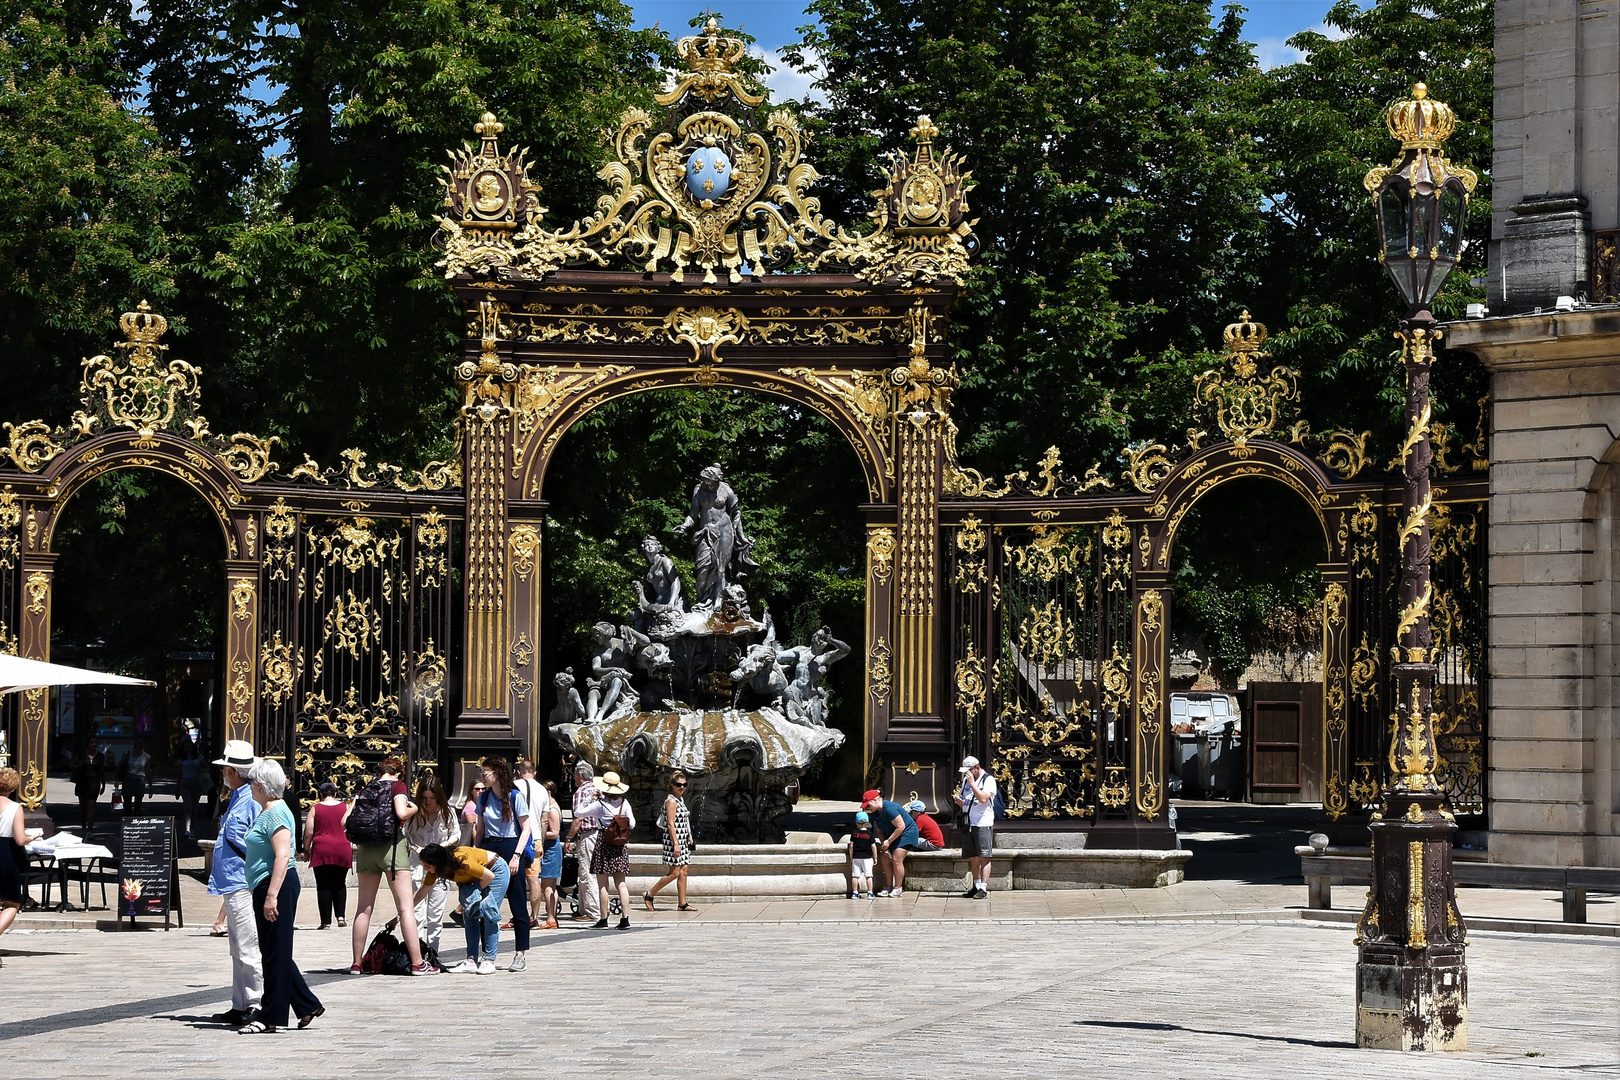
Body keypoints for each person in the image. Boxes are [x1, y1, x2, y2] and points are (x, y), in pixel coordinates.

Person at [237, 758, 322, 1034]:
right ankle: (306, 1004)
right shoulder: (273, 808)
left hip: (276, 885)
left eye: (252, 782)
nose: (250, 786)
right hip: (269, 884)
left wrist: (271, 896)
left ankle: (270, 1016)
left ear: (260, 786)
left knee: (273, 953)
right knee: (276, 950)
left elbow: (283, 855)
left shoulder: (274, 814)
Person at [349, 757, 433, 976]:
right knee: (405, 908)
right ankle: (417, 963)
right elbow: (401, 813)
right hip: (392, 850)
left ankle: (357, 963)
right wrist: (414, 808)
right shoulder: (398, 785)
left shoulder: (366, 788)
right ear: (398, 773)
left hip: (366, 851)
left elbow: (345, 821)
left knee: (363, 909)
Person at [206, 741, 263, 1026]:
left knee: (248, 945)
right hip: (231, 881)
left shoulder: (251, 799)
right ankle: (239, 1002)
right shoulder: (238, 797)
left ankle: (255, 1002)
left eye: (226, 769)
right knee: (237, 947)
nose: (223, 774)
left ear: (233, 770)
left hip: (243, 880)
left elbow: (255, 841)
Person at [472, 756, 532, 972]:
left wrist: (517, 855)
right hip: (489, 848)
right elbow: (479, 829)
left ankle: (520, 953)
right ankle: (487, 953)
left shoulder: (515, 796)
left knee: (517, 902)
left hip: (510, 847)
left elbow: (526, 828)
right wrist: (475, 854)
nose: (482, 777)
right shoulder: (484, 798)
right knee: (485, 901)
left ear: (497, 773)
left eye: (485, 773)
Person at [414, 843, 507, 975]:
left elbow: (489, 876)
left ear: (437, 862)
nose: (425, 869)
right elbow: (421, 893)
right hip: (475, 879)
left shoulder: (461, 860)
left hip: (494, 871)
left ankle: (489, 960)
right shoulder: (434, 871)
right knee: (469, 915)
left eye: (427, 866)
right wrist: (402, 913)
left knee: (488, 913)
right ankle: (471, 960)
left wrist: (475, 892)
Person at [568, 769, 634, 929]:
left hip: (604, 843)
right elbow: (632, 824)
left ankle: (603, 919)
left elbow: (578, 813)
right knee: (621, 883)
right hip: (619, 846)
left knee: (603, 884)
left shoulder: (599, 805)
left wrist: (588, 800)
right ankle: (625, 919)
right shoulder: (625, 803)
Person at [405, 774, 460, 962]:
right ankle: (419, 952)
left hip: (439, 865)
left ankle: (433, 953)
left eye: (432, 798)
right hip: (418, 865)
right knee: (417, 912)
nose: (428, 802)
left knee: (435, 914)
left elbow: (456, 834)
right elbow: (406, 836)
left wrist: (443, 846)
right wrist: (417, 848)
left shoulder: (447, 812)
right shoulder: (414, 812)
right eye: (425, 798)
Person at [302, 781, 351, 930]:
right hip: (342, 848)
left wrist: (306, 849)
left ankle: (326, 922)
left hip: (322, 849)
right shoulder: (345, 807)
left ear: (321, 795)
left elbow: (309, 832)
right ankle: (341, 916)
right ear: (335, 794)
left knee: (323, 885)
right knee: (340, 883)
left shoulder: (315, 809)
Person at [644, 772, 693, 912]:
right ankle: (649, 894)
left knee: (684, 871)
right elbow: (670, 824)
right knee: (674, 873)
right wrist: (676, 844)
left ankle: (682, 903)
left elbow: (683, 820)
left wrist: (689, 836)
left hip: (682, 839)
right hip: (673, 840)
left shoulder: (680, 800)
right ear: (672, 785)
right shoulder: (671, 801)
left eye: (684, 785)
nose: (682, 787)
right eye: (679, 785)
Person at [953, 756, 997, 900]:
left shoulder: (988, 780)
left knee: (984, 856)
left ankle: (983, 888)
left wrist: (973, 784)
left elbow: (984, 799)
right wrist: (960, 802)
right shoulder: (966, 780)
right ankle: (976, 885)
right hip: (969, 822)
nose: (966, 774)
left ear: (977, 768)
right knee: (973, 857)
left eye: (969, 771)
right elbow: (966, 799)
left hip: (983, 822)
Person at [860, 789, 917, 897]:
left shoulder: (890, 809)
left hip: (906, 832)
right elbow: (880, 830)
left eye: (868, 805)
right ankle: (889, 886)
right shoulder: (875, 814)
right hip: (892, 834)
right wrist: (884, 845)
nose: (867, 808)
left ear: (876, 800)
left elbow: (901, 826)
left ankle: (898, 888)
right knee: (885, 857)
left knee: (896, 858)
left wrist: (889, 841)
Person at [513, 760, 548, 932]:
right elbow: (545, 819)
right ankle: (534, 917)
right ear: (534, 772)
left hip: (516, 837)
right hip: (535, 839)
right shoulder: (543, 790)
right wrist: (540, 840)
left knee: (513, 878)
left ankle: (517, 915)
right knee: (533, 879)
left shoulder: (512, 785)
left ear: (519, 772)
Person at [0, 767, 29, 964]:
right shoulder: (14, 807)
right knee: (11, 902)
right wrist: (30, 837)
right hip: (4, 853)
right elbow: (19, 840)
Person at [569, 761, 602, 922]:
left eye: (574, 775)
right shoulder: (597, 789)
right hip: (599, 835)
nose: (573, 778)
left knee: (587, 874)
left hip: (588, 835)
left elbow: (578, 819)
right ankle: (585, 908)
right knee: (593, 873)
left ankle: (592, 911)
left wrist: (569, 839)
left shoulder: (581, 792)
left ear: (580, 776)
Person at [535, 780, 564, 929]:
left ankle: (551, 918)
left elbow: (555, 832)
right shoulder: (550, 807)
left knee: (546, 886)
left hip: (551, 850)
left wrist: (539, 833)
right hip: (551, 849)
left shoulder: (552, 809)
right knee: (551, 886)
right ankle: (553, 918)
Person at [847, 810, 876, 899]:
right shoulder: (870, 834)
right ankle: (870, 892)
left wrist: (851, 857)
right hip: (867, 857)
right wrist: (875, 857)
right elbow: (873, 846)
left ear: (856, 823)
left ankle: (855, 893)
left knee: (855, 876)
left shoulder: (854, 833)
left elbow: (851, 846)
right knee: (868, 876)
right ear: (867, 823)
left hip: (856, 857)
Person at [71, 748, 100, 833]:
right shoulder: (81, 754)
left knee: (91, 806)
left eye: (95, 742)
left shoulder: (100, 756)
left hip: (94, 783)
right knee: (83, 807)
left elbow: (101, 770)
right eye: (92, 743)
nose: (94, 744)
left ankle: (90, 830)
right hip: (82, 783)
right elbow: (72, 765)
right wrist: (78, 765)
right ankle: (84, 826)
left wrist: (104, 784)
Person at [119, 739, 152, 813]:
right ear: (135, 744)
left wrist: (150, 787)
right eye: (138, 743)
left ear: (144, 745)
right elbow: (119, 766)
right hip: (128, 779)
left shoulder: (147, 757)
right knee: (127, 806)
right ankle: (127, 822)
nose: (139, 745)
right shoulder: (127, 754)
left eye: (141, 743)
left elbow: (148, 772)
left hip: (140, 780)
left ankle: (136, 822)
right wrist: (117, 780)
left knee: (138, 805)